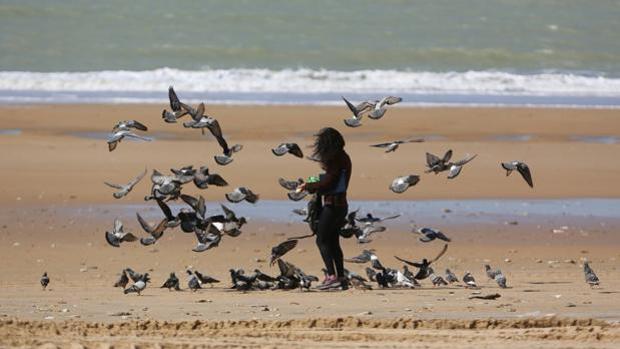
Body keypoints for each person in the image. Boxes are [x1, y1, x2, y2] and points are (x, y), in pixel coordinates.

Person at [299, 127, 351, 290]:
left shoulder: (335, 159)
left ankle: (331, 276)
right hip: (341, 206)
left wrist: (308, 185)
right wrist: (310, 180)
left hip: (332, 205)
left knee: (321, 239)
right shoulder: (343, 157)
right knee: (333, 242)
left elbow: (328, 181)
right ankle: (341, 277)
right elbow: (326, 177)